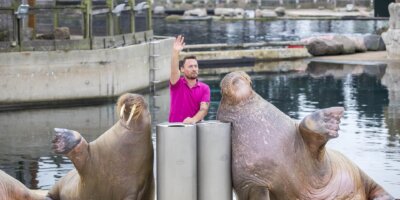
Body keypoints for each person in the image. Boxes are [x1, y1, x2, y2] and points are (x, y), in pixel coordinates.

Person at [169, 35, 210, 124]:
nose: (194, 69)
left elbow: (204, 109)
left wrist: (193, 120)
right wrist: (175, 52)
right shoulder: (177, 84)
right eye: (190, 66)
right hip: (175, 128)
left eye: (195, 66)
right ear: (182, 69)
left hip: (194, 129)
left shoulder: (204, 88)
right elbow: (174, 71)